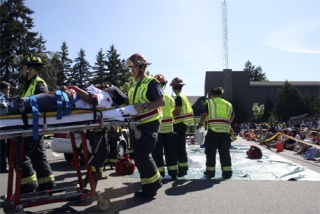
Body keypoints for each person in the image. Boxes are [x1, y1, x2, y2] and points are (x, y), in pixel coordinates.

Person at [126, 53, 165, 199]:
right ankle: (147, 186)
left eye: (134, 68)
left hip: (150, 123)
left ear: (142, 67)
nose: (132, 71)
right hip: (138, 125)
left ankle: (155, 182)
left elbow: (161, 102)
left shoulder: (151, 83)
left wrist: (143, 105)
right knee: (138, 156)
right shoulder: (135, 86)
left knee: (144, 154)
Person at [16, 54, 55, 193]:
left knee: (18, 154)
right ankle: (46, 184)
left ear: (30, 69)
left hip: (33, 125)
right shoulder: (30, 84)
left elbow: (44, 102)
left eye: (24, 67)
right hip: (32, 125)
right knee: (38, 155)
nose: (22, 70)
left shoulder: (38, 83)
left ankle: (28, 184)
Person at [197, 87, 235, 179]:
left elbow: (204, 114)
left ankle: (210, 172)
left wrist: (200, 124)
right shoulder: (228, 104)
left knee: (210, 151)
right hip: (225, 131)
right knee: (225, 152)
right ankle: (227, 173)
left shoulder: (210, 102)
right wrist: (228, 123)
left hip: (213, 131)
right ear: (220, 94)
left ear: (211, 94)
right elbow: (233, 115)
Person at [152, 74, 178, 180]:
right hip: (169, 130)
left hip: (157, 130)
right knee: (170, 152)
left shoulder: (152, 97)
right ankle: (173, 173)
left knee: (157, 153)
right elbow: (172, 109)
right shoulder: (169, 98)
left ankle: (160, 174)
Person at [170, 77, 194, 177]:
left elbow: (178, 111)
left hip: (179, 124)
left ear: (173, 87)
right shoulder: (183, 96)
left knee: (178, 148)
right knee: (181, 148)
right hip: (183, 124)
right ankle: (184, 168)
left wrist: (169, 115)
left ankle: (182, 170)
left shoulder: (179, 97)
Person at [0, 81, 11, 173]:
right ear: (4, 89)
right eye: (8, 89)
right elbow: (4, 110)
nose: (9, 91)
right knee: (2, 146)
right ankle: (3, 166)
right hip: (2, 124)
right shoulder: (1, 98)